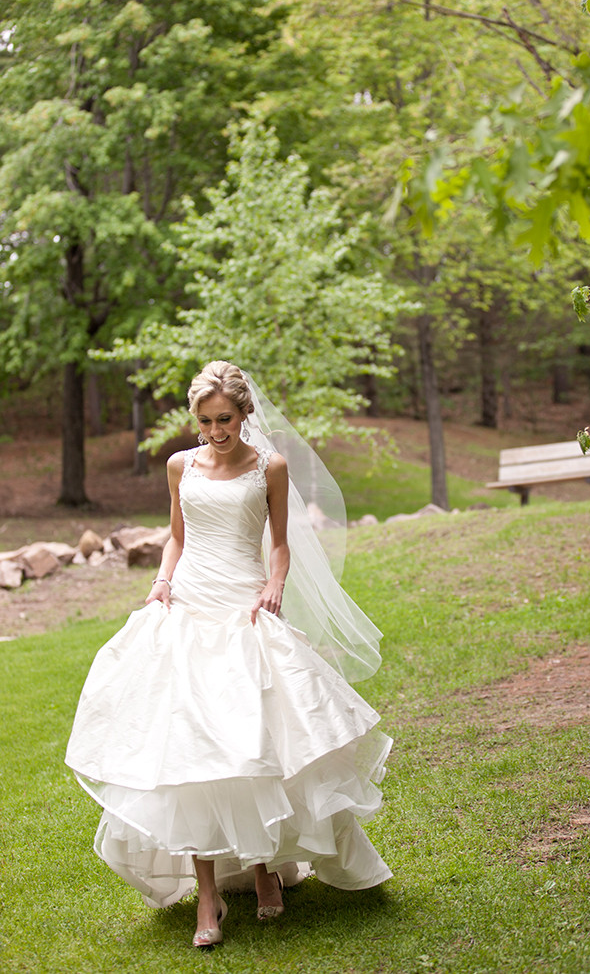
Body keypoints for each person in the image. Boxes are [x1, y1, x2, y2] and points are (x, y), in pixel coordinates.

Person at [65, 361, 392, 948]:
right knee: (190, 745)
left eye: (226, 419)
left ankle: (264, 869)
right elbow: (178, 537)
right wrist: (163, 581)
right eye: (206, 420)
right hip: (189, 602)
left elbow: (282, 545)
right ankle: (207, 897)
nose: (216, 430)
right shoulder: (179, 465)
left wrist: (275, 587)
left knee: (250, 736)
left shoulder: (270, 465)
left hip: (244, 602)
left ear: (244, 414)